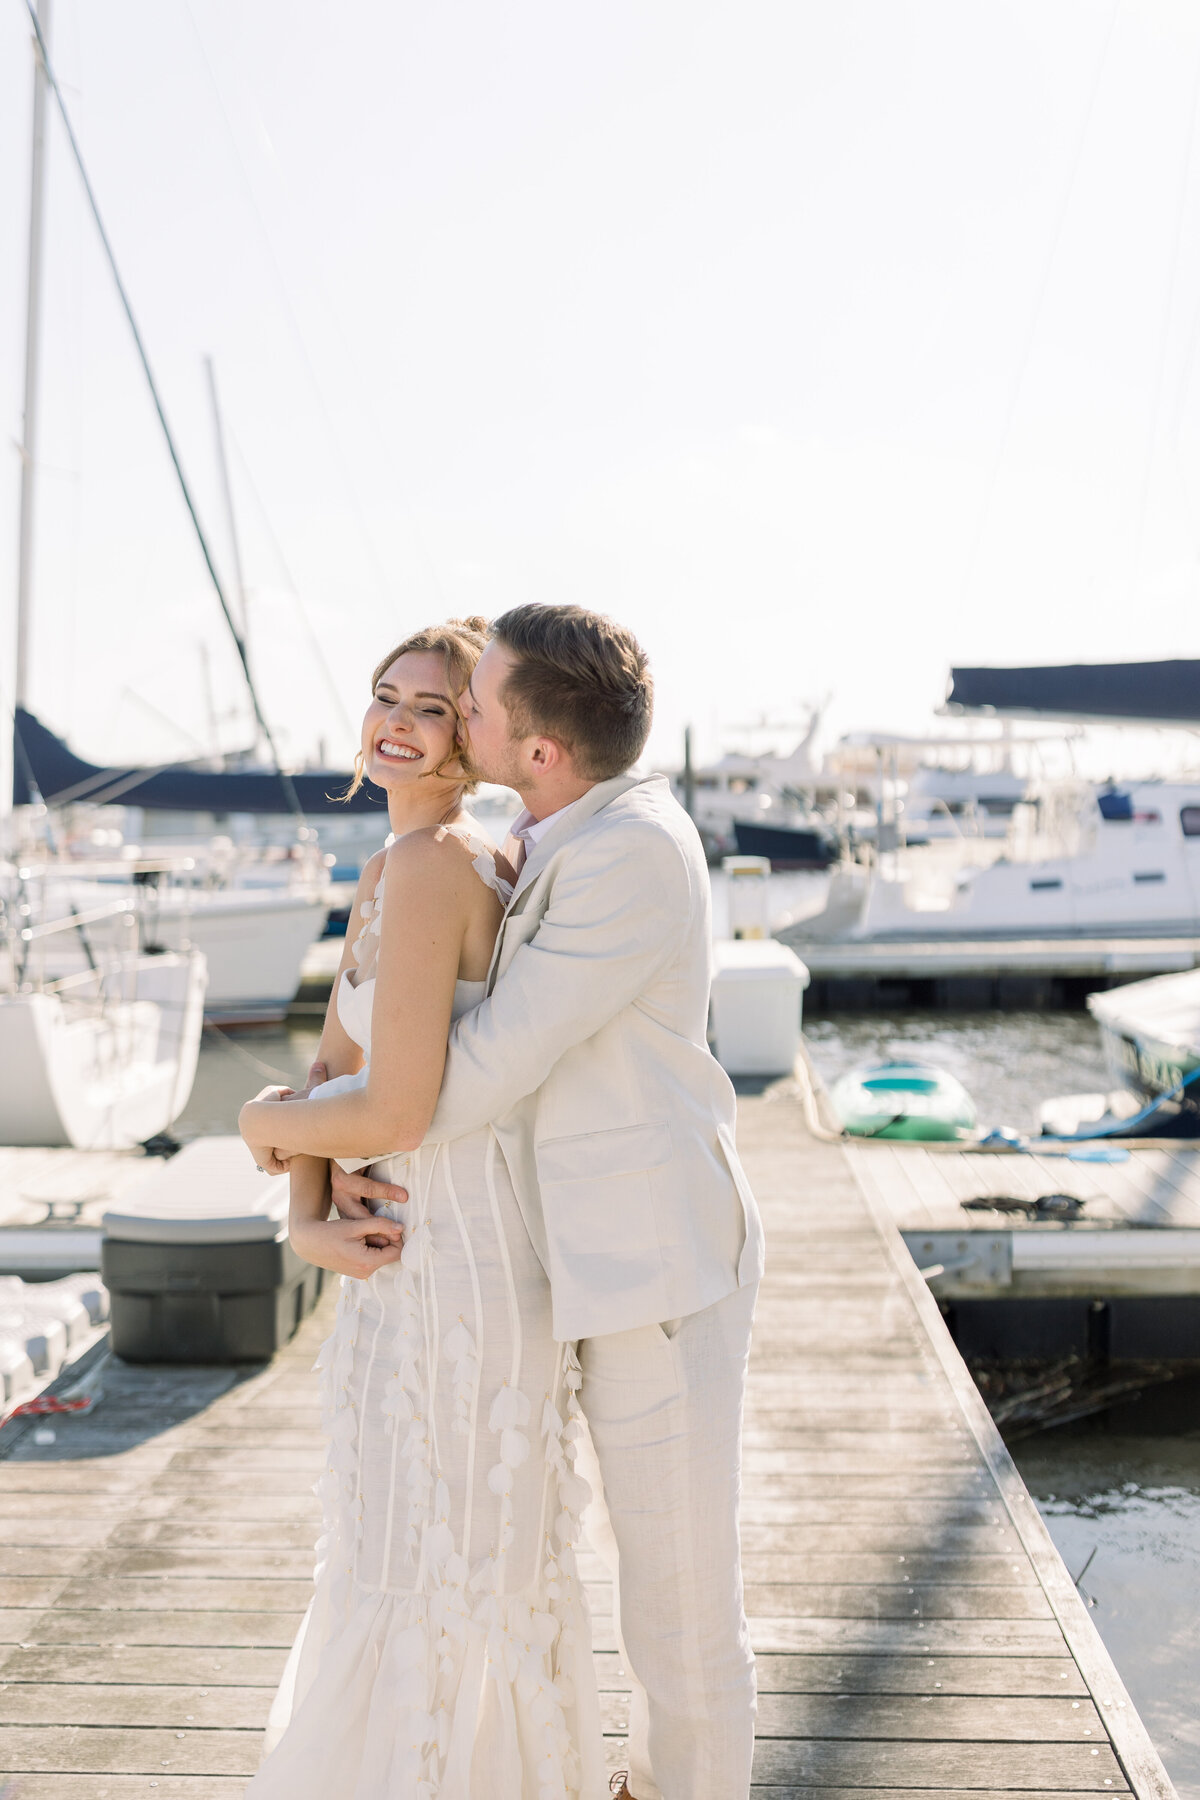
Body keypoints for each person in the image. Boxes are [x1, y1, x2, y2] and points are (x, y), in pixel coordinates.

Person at [317, 605, 764, 1800]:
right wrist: (313, 1184)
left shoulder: (628, 854)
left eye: (470, 702)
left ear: (539, 750)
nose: (451, 714)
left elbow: (467, 1079)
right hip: (555, 1261)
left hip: (652, 1274)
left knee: (676, 1611)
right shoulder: (539, 834)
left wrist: (276, 1131)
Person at [238, 617, 608, 1799]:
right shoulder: (394, 865)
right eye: (386, 696)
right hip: (401, 1267)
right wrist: (301, 1205)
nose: (395, 721)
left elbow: (390, 1106)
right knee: (395, 1562)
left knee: (441, 1579)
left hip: (455, 1264)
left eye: (434, 706)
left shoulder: (441, 866)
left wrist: (259, 1131)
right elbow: (328, 1074)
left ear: (476, 739)